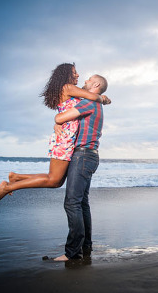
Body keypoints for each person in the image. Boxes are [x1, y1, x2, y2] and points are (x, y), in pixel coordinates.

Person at [0, 63, 110, 207]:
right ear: (66, 74)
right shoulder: (68, 87)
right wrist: (102, 98)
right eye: (74, 72)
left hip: (67, 136)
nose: (78, 75)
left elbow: (67, 112)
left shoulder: (69, 90)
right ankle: (8, 187)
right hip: (66, 137)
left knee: (57, 181)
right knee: (53, 180)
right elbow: (92, 96)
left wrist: (58, 122)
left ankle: (16, 177)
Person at [52, 74, 108, 261]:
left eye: (88, 80)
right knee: (82, 203)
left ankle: (72, 253)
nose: (84, 81)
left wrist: (56, 121)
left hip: (83, 155)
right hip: (89, 156)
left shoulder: (88, 103)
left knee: (72, 203)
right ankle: (85, 246)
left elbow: (61, 117)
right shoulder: (96, 104)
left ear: (96, 84)